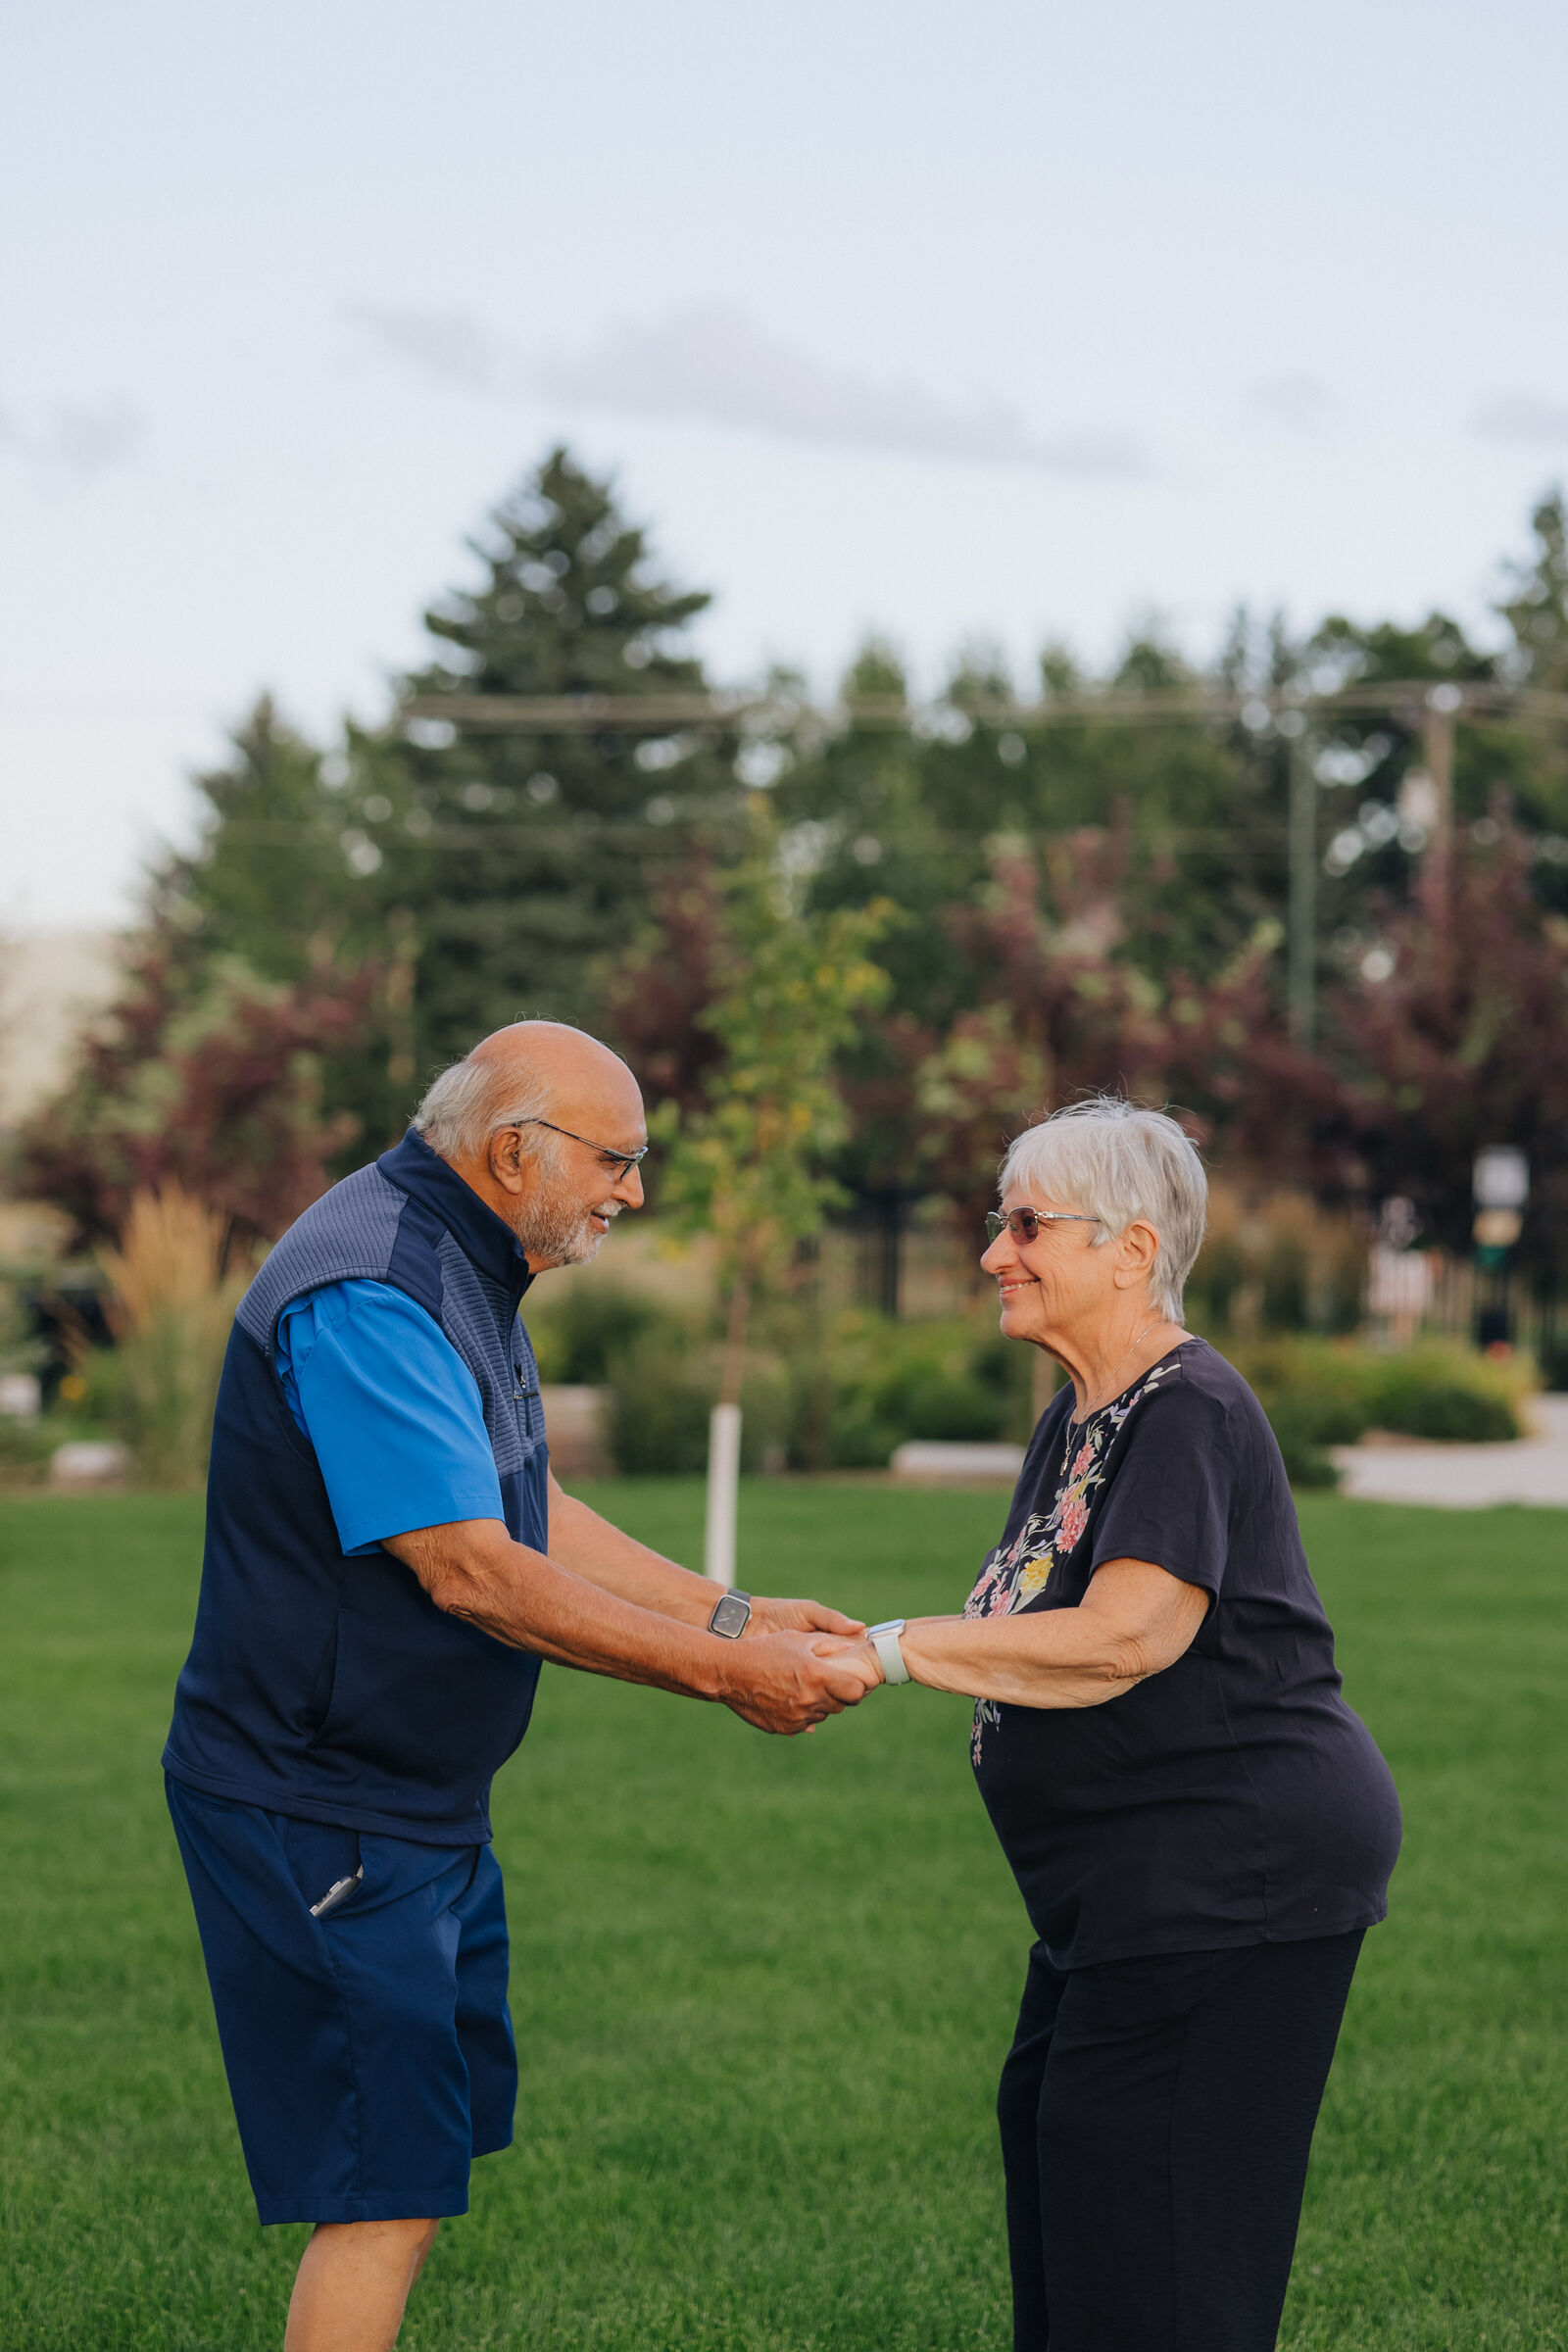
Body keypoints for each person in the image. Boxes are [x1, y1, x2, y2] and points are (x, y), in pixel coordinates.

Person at [163, 1020, 875, 2352]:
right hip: (318, 1806)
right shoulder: (371, 1288)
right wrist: (729, 1674)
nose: (634, 1191)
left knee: (414, 2176)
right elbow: (474, 1571)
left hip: (408, 1804)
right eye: (618, 1159)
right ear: (511, 1152)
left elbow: (518, 1496)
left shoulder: (457, 1256)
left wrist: (731, 1606)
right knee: (384, 2190)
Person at [830, 1097, 1401, 2352]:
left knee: (1160, 2247)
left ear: (1130, 1250)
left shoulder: (1185, 1407)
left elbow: (1125, 1636)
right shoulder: (1087, 1413)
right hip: (1131, 1888)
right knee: (1070, 2162)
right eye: (1000, 1222)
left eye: (1026, 1225)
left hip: (1228, 1877)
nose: (995, 1253)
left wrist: (888, 1652)